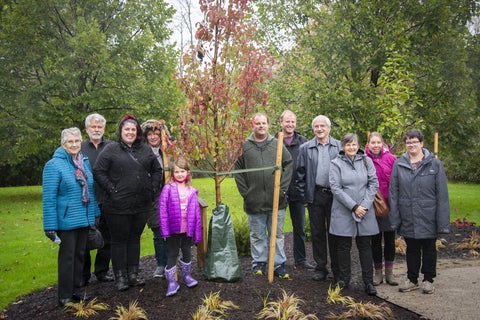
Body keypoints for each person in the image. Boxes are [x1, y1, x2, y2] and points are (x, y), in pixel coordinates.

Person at [93, 115, 162, 291]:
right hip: (117, 206)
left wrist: (153, 189)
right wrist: (112, 189)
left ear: (137, 132)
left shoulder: (145, 150)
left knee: (134, 239)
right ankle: (120, 277)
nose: (130, 132)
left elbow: (157, 170)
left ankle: (133, 275)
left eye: (133, 129)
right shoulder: (111, 149)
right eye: (127, 130)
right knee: (118, 241)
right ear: (121, 131)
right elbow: (98, 171)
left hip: (140, 205)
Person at [42, 127, 100, 306]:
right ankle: (65, 296)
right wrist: (50, 226)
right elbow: (49, 198)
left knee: (80, 256)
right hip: (66, 221)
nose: (74, 145)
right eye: (70, 142)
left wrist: (95, 213)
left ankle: (76, 291)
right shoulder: (53, 165)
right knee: (67, 258)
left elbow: (90, 190)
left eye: (77, 141)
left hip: (83, 218)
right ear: (63, 144)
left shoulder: (83, 161)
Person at [389, 129, 450, 294]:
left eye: (414, 142)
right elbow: (394, 193)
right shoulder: (399, 164)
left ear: (421, 143)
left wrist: (442, 221)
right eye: (408, 142)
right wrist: (395, 218)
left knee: (429, 248)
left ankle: (428, 280)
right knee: (412, 248)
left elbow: (442, 195)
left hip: (429, 215)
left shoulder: (434, 164)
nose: (411, 145)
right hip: (408, 214)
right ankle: (412, 279)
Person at [234, 112, 293, 279]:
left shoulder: (277, 144)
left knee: (278, 234)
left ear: (268, 125)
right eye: (257, 123)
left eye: (264, 123)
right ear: (252, 126)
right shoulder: (244, 146)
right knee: (257, 235)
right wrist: (246, 193)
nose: (261, 126)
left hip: (277, 200)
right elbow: (237, 170)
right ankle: (259, 263)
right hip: (254, 201)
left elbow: (288, 164)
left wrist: (282, 189)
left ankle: (279, 264)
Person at [329, 133, 379, 295]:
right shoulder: (335, 163)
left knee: (365, 246)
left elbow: (373, 183)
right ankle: (344, 280)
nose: (351, 147)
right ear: (343, 146)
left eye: (354, 144)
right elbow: (335, 188)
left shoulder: (367, 161)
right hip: (344, 210)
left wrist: (364, 205)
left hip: (365, 210)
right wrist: (354, 206)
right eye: (348, 145)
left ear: (358, 146)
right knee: (343, 246)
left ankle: (368, 282)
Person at [296, 115, 341, 281]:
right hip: (315, 195)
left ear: (329, 128)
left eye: (323, 126)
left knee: (336, 233)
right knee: (317, 233)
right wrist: (304, 197)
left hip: (336, 196)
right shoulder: (305, 148)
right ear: (313, 129)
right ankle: (321, 267)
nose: (320, 129)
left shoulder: (339, 146)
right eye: (317, 126)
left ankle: (337, 268)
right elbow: (299, 174)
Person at [275, 110, 314, 270]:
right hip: (279, 192)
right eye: (287, 121)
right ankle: (277, 260)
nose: (290, 124)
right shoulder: (274, 141)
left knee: (299, 228)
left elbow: (308, 168)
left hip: (298, 192)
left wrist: (305, 192)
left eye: (292, 122)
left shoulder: (303, 142)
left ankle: (300, 259)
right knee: (276, 229)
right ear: (281, 122)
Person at [159, 157, 202, 297]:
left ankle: (187, 276)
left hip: (187, 230)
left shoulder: (192, 190)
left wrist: (196, 231)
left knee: (187, 251)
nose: (179, 174)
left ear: (188, 172)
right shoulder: (168, 189)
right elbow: (162, 210)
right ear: (173, 173)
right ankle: (172, 282)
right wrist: (164, 230)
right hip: (173, 230)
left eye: (182, 171)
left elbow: (196, 213)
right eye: (176, 172)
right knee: (172, 253)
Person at [81, 113, 114, 285]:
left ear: (104, 129)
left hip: (107, 200)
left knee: (107, 238)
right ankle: (83, 275)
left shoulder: (112, 147)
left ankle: (102, 271)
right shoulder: (78, 148)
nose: (96, 129)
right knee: (85, 238)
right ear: (87, 129)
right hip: (85, 202)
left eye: (99, 127)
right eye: (93, 126)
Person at [365, 132, 398, 286]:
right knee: (375, 240)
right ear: (368, 144)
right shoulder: (364, 159)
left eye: (378, 142)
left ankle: (390, 273)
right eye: (373, 143)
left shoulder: (391, 159)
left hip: (390, 205)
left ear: (383, 143)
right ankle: (378, 272)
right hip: (372, 206)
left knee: (390, 240)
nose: (376, 145)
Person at [141, 119, 169, 278]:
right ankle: (161, 263)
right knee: (158, 230)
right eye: (150, 134)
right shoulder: (142, 152)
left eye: (156, 134)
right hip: (152, 195)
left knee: (171, 231)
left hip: (169, 193)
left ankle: (171, 261)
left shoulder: (168, 152)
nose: (153, 137)